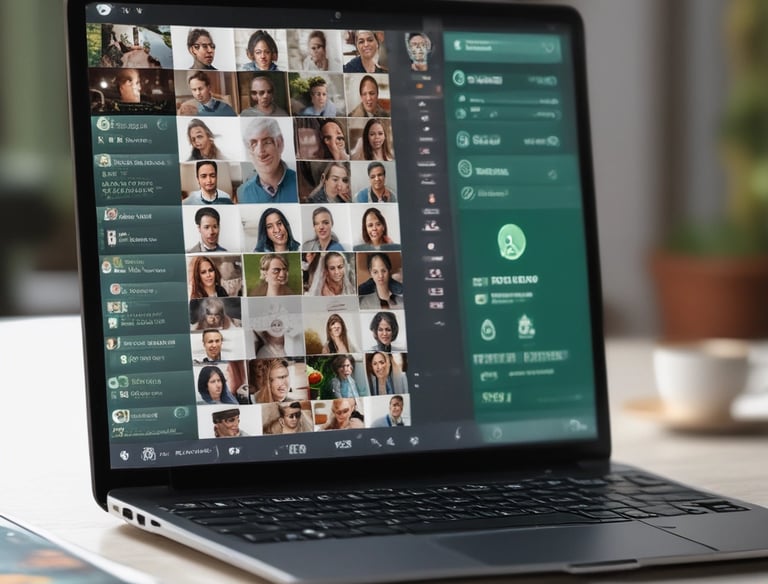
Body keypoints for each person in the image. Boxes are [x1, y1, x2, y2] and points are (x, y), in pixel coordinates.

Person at [238, 117, 299, 204]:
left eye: (267, 142)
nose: (260, 151)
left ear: (280, 143)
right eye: (254, 144)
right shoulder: (243, 193)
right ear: (249, 151)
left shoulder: (299, 184)